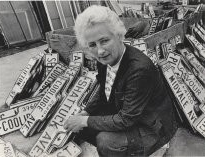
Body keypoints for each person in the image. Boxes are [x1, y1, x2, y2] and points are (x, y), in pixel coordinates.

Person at [64, 5, 178, 157]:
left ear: (119, 35)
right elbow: (103, 89)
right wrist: (86, 112)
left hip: (153, 127)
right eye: (92, 45)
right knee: (81, 125)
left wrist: (85, 120)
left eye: (104, 41)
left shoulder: (139, 69)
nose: (99, 51)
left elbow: (126, 119)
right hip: (131, 112)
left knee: (106, 141)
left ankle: (148, 150)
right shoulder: (105, 58)